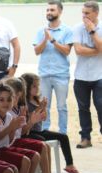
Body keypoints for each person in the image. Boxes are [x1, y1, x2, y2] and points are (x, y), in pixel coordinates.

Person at [3, 78, 63, 173]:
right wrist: (31, 121)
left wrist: (34, 117)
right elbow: (14, 135)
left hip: (17, 140)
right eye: (13, 96)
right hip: (12, 143)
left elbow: (25, 131)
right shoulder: (8, 111)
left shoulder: (17, 109)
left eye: (17, 96)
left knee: (44, 145)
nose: (15, 99)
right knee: (41, 145)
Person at [21, 73, 82, 173]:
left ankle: (69, 165)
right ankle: (44, 171)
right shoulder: (25, 102)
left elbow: (43, 117)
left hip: (39, 130)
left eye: (38, 85)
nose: (37, 88)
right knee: (41, 140)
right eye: (34, 86)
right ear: (26, 87)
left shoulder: (35, 100)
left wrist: (43, 108)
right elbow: (29, 118)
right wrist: (40, 107)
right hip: (29, 132)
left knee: (63, 137)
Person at [33, 1, 73, 134]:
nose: (49, 12)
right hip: (44, 75)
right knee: (45, 106)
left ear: (60, 12)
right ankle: (45, 131)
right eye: (47, 10)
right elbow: (37, 51)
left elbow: (67, 51)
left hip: (61, 75)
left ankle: (63, 133)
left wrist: (52, 40)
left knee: (62, 107)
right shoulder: (41, 31)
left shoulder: (67, 30)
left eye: (52, 10)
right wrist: (45, 39)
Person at [73, 1, 102, 148]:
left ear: (96, 13)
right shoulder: (77, 28)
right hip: (81, 76)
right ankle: (86, 138)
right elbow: (78, 50)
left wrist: (92, 31)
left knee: (101, 106)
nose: (84, 16)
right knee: (83, 108)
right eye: (83, 13)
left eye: (87, 13)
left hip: (99, 76)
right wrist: (98, 50)